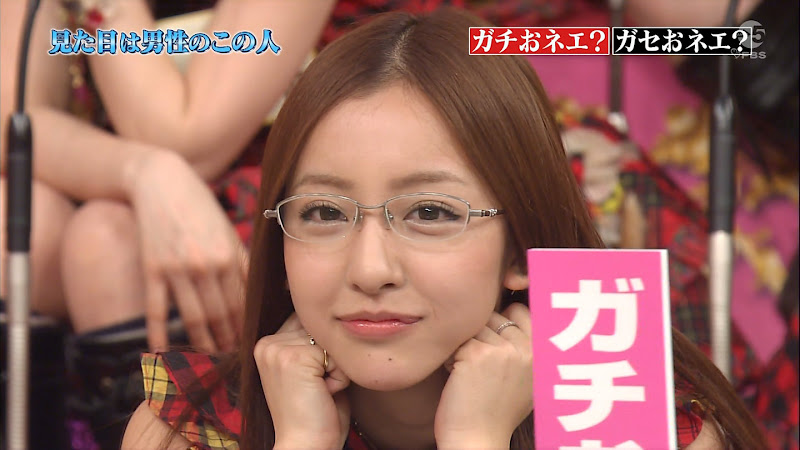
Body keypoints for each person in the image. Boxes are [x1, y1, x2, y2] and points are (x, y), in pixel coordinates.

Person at [121, 8, 767, 449]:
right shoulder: (183, 429)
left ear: (521, 247)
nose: (370, 269)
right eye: (324, 213)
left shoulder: (640, 422)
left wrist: (473, 440)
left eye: (431, 213)